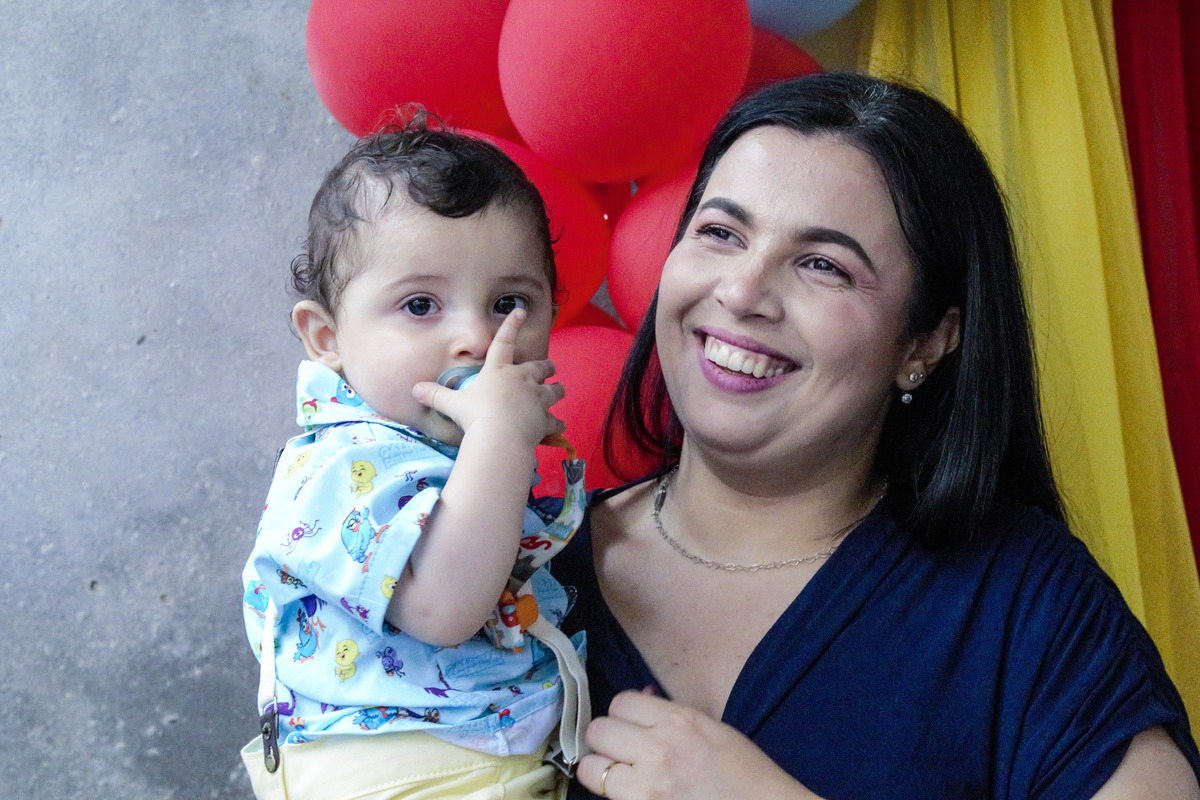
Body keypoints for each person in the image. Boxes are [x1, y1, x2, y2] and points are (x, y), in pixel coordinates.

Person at [551, 73, 1200, 799]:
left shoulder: (1027, 603)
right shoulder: (512, 573)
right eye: (720, 233)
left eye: (823, 265)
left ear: (925, 342)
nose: (741, 292)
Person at [239, 113, 589, 800]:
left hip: (485, 757)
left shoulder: (450, 453)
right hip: (401, 770)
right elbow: (445, 607)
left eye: (509, 302)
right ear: (327, 338)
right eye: (421, 304)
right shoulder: (341, 466)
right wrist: (500, 435)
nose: (475, 337)